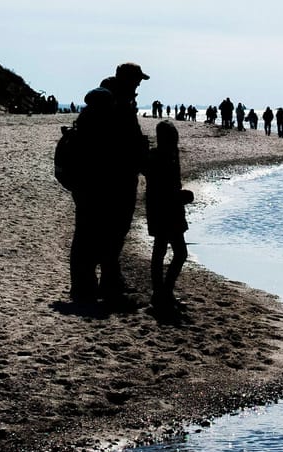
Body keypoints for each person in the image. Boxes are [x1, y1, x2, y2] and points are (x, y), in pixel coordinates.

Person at [65, 63, 151, 306]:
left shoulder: (102, 102)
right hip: (112, 182)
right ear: (126, 79)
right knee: (109, 232)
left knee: (90, 232)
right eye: (136, 80)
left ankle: (90, 285)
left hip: (90, 182)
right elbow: (124, 145)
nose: (138, 85)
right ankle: (102, 286)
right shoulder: (116, 105)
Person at [145, 121, 195, 314]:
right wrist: (181, 196)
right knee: (171, 252)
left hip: (170, 210)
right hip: (164, 210)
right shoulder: (157, 156)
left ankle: (164, 293)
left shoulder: (170, 155)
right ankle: (161, 294)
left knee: (169, 252)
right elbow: (160, 188)